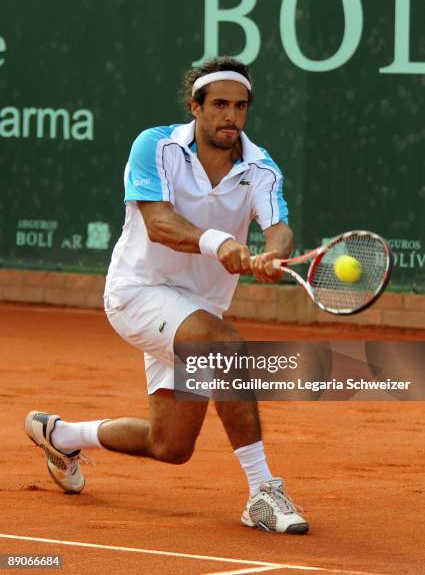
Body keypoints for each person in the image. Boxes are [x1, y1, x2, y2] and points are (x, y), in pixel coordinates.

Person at [25, 56, 308, 534]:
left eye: (240, 107)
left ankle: (60, 435)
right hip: (138, 293)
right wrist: (224, 244)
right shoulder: (155, 146)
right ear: (195, 107)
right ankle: (263, 492)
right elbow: (159, 224)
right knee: (228, 349)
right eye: (219, 104)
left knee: (170, 445)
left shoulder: (260, 167)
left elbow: (278, 228)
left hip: (197, 311)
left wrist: (273, 255)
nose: (231, 117)